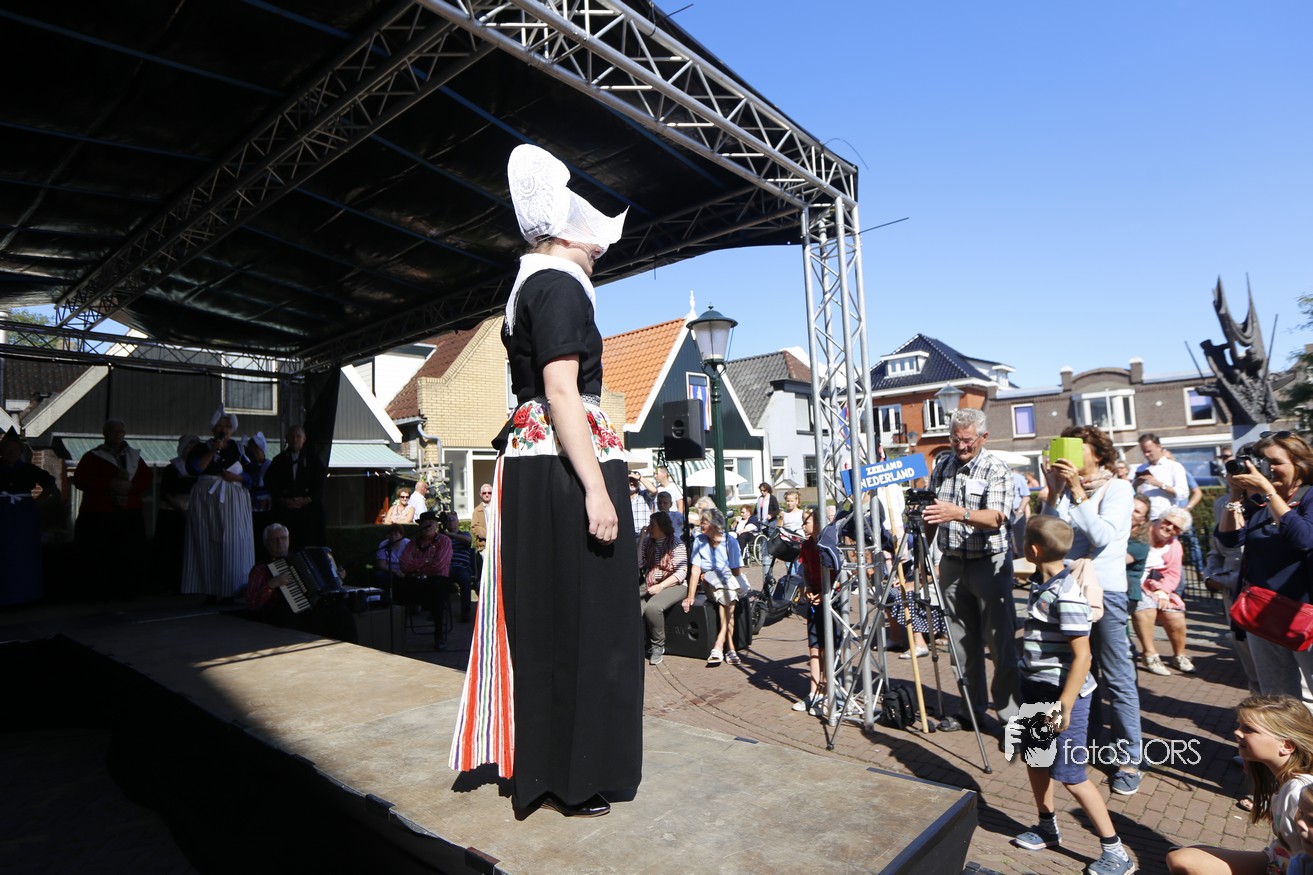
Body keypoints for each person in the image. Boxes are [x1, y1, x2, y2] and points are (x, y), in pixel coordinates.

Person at [450, 144, 641, 819]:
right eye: (591, 237)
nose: (599, 248)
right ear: (562, 234)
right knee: (584, 620)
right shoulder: (557, 284)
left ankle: (552, 767)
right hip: (563, 469)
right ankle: (572, 774)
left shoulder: (530, 284)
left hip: (538, 465)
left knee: (549, 616)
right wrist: (596, 489)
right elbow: (561, 390)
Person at [1011, 515, 1135, 875]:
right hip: (1037, 689)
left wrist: (1065, 705)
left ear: (1034, 550)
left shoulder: (1066, 594)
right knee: (1036, 760)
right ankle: (1046, 827)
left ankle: (1116, 851)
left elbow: (1084, 656)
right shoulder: (1042, 582)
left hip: (1064, 697)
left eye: (1023, 542)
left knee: (1071, 774)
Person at [1041, 425, 1142, 795]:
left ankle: (1130, 757)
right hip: (1067, 590)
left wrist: (1079, 493)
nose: (1069, 453)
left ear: (1098, 454)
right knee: (1079, 672)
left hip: (1106, 591)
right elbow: (1045, 534)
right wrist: (1054, 492)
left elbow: (1101, 536)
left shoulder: (1118, 488)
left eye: (1078, 447)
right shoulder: (1066, 491)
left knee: (1117, 675)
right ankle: (1089, 744)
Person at [923, 407, 1021, 727]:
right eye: (955, 439)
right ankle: (970, 711)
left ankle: (1010, 718)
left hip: (989, 564)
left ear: (983, 437)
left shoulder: (996, 469)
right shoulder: (943, 465)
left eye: (967, 440)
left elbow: (997, 517)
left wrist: (959, 513)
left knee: (1000, 643)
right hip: (952, 563)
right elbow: (933, 514)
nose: (961, 446)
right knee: (961, 646)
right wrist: (925, 553)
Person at [1216, 432, 1313, 707]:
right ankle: (1284, 738)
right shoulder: (1259, 502)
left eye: (1276, 462)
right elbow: (1229, 540)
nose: (1268, 469)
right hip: (1264, 613)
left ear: (1299, 464)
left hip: (1306, 615)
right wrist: (1235, 495)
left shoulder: (1308, 497)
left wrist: (1269, 493)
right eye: (1263, 462)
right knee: (1276, 699)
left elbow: (1304, 539)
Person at [1166, 695, 1313, 874]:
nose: (1237, 732)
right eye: (1239, 725)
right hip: (1275, 860)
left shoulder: (1297, 791)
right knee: (1183, 857)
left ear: (1287, 746)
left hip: (1289, 869)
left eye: (1249, 729)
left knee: (1184, 861)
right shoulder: (1284, 780)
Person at [73, 418, 154, 599]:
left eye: (120, 431)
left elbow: (147, 478)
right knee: (100, 554)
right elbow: (80, 480)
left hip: (128, 513)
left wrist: (132, 488)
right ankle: (99, 591)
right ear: (105, 434)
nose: (117, 435)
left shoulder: (133, 456)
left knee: (129, 553)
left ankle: (128, 589)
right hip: (100, 513)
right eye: (113, 431)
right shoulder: (93, 456)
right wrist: (108, 484)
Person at [182, 408, 254, 602]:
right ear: (213, 428)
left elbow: (253, 476)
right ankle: (210, 589)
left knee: (233, 541)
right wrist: (214, 449)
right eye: (220, 426)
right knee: (207, 540)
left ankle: (233, 588)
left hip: (233, 498)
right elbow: (194, 468)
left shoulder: (240, 449)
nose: (224, 429)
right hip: (207, 499)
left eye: (227, 426)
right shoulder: (201, 448)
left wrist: (236, 478)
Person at [243, 523, 355, 641]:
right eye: (274, 539)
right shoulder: (261, 570)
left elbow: (323, 584)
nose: (280, 542)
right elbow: (251, 603)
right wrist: (271, 585)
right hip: (283, 612)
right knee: (290, 618)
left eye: (283, 538)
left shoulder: (298, 557)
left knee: (342, 613)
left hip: (312, 608)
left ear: (288, 540)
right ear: (266, 543)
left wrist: (337, 578)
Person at [1131, 506, 1194, 675]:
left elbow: (1173, 573)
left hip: (1155, 585)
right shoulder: (1140, 534)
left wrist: (1163, 591)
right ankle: (1149, 654)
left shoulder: (1174, 546)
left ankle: (1180, 655)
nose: (1170, 528)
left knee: (1174, 613)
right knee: (1147, 607)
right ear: (1159, 519)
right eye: (1168, 522)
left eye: (1176, 528)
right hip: (1133, 581)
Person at [0, 427, 59, 606]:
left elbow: (49, 485)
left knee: (24, 553)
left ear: (20, 451)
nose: (11, 453)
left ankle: (24, 595)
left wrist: (35, 503)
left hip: (24, 516)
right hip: (2, 514)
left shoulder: (29, 470)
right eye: (7, 449)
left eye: (15, 449)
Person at [681, 507, 744, 666]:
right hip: (709, 583)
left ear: (715, 525)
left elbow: (736, 571)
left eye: (704, 522)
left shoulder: (730, 542)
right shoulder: (699, 541)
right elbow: (695, 570)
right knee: (728, 595)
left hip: (728, 583)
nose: (701, 525)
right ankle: (730, 649)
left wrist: (721, 574)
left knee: (727, 595)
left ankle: (721, 644)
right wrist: (690, 596)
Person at [638, 511, 688, 666]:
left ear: (662, 526)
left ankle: (658, 646)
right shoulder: (648, 542)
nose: (649, 527)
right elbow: (639, 563)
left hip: (674, 584)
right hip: (651, 582)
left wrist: (661, 586)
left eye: (652, 525)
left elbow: (681, 572)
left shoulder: (676, 543)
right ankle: (639, 643)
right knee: (634, 606)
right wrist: (641, 539)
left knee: (653, 608)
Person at [265, 425, 326, 549]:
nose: (295, 439)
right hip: (286, 512)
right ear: (287, 439)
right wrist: (283, 499)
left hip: (309, 514)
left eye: (298, 436)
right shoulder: (278, 460)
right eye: (292, 436)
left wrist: (307, 499)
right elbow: (269, 481)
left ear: (304, 439)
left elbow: (320, 483)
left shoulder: (314, 460)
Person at [398, 514, 454, 648]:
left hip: (438, 581)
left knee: (437, 591)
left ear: (436, 525)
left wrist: (416, 565)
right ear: (420, 526)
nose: (428, 526)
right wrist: (427, 562)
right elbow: (404, 564)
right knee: (397, 587)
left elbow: (439, 565)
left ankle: (439, 636)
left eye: (431, 523)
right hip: (416, 581)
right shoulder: (413, 543)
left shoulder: (444, 541)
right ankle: (397, 638)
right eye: (424, 523)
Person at [155, 434, 199, 593]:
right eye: (189, 447)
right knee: (171, 549)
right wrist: (181, 509)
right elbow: (165, 492)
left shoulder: (200, 468)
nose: (191, 451)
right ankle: (169, 584)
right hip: (172, 515)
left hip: (193, 514)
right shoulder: (172, 468)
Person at [1133, 433, 1189, 521]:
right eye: (1144, 452)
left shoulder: (1174, 466)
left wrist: (1160, 485)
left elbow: (1183, 493)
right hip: (1144, 518)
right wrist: (1136, 484)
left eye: (1149, 451)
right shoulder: (1141, 468)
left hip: (1164, 517)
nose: (1146, 454)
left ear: (1159, 447)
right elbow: (1135, 494)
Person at [441, 510, 476, 622]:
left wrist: (451, 535)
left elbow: (468, 541)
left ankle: (465, 611)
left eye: (453, 519)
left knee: (465, 579)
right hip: (448, 567)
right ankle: (439, 610)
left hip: (462, 567)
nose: (451, 522)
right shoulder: (443, 537)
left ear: (457, 522)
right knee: (439, 579)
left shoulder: (464, 534)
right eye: (448, 520)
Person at [245, 432, 274, 552]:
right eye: (251, 449)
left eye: (256, 449)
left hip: (267, 509)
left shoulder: (270, 466)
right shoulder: (247, 466)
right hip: (250, 509)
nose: (253, 452)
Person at [628, 470, 655, 538]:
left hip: (645, 536)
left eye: (634, 480)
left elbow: (654, 490)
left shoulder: (645, 494)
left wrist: (640, 478)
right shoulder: (622, 497)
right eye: (629, 480)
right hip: (629, 536)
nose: (632, 483)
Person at [470, 482, 491, 552]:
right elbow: (474, 527)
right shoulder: (477, 511)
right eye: (484, 493)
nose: (487, 495)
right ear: (480, 494)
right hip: (484, 547)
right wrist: (488, 534)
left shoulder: (497, 509)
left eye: (489, 493)